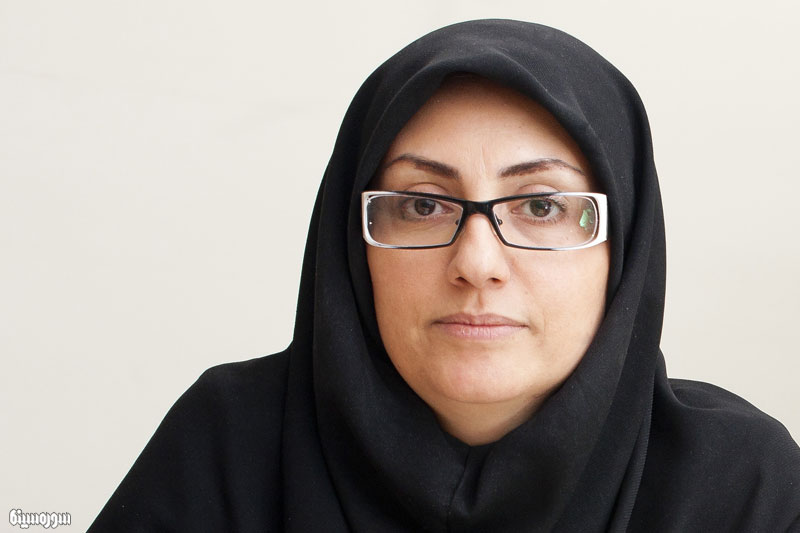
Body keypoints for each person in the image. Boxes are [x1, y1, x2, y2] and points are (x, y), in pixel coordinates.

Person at [89, 19, 800, 531]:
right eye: (423, 205)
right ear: (352, 242)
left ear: (626, 246)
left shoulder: (744, 489)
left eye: (542, 206)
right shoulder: (225, 448)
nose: (477, 264)